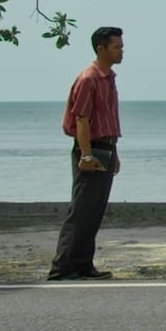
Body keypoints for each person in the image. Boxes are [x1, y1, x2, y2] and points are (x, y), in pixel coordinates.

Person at [48, 25, 124, 281]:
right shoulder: (88, 78)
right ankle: (63, 268)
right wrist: (86, 155)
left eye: (121, 46)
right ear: (101, 49)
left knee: (94, 211)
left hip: (107, 147)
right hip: (90, 149)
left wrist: (114, 153)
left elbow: (107, 119)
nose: (121, 50)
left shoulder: (109, 77)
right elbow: (81, 119)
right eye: (117, 46)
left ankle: (83, 265)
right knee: (81, 211)